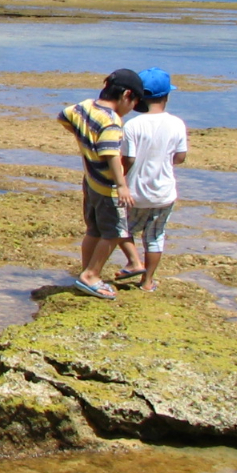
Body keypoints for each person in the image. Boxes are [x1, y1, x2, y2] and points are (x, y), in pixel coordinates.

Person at [57, 68, 144, 300]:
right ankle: (92, 275)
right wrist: (122, 185)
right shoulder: (112, 121)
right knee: (115, 232)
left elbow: (64, 116)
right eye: (134, 103)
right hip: (107, 185)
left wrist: (82, 138)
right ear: (126, 95)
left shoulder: (84, 107)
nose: (132, 109)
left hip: (90, 181)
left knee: (94, 229)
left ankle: (86, 271)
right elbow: (111, 154)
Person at [120, 67, 189, 293]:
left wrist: (119, 179)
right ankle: (148, 281)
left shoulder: (132, 125)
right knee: (155, 238)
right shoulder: (177, 123)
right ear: (167, 96)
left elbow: (127, 159)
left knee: (119, 229)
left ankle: (133, 261)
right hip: (164, 193)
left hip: (135, 192)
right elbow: (179, 157)